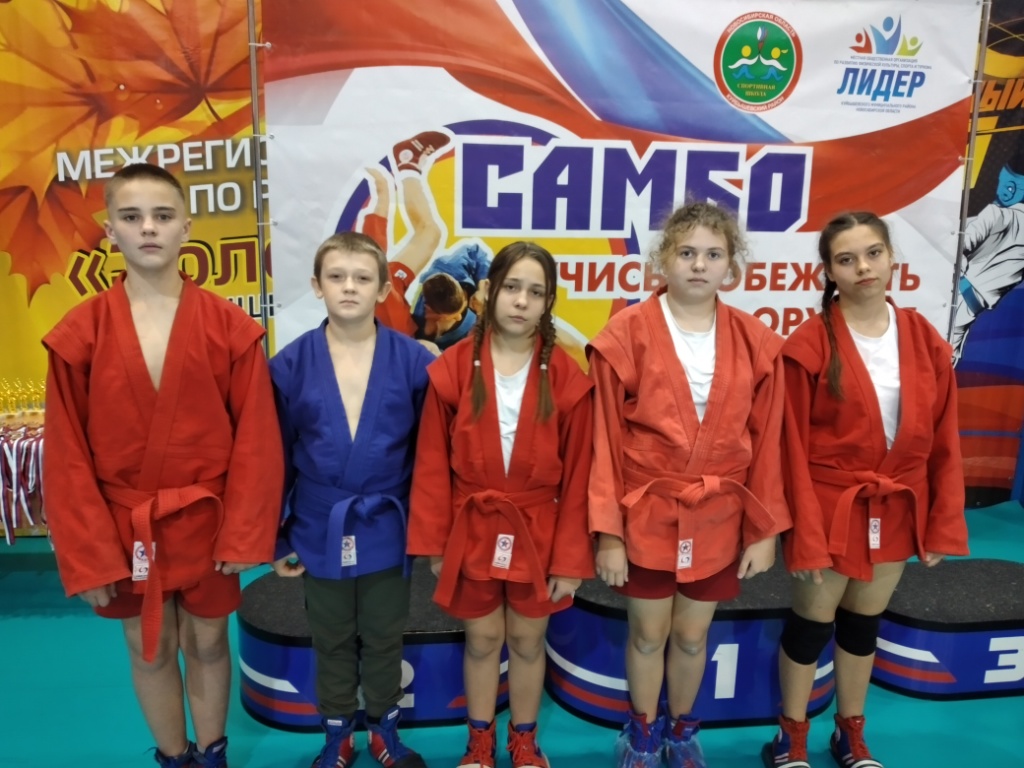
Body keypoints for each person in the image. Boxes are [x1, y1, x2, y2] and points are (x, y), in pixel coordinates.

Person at [42, 163, 284, 768]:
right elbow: (66, 458)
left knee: (208, 640)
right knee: (148, 646)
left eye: (162, 215)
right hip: (126, 525)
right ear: (109, 231)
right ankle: (175, 757)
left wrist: (244, 533)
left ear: (186, 228)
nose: (148, 227)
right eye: (131, 217)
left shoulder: (229, 328)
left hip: (206, 519)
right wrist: (88, 556)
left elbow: (257, 441)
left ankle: (213, 753)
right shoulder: (81, 332)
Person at [762, 212, 969, 768]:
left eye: (873, 253)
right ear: (829, 272)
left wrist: (942, 522)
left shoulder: (923, 339)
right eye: (846, 259)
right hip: (828, 507)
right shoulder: (809, 343)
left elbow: (944, 437)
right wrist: (803, 534)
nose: (863, 267)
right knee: (812, 625)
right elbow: (787, 448)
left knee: (861, 624)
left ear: (891, 257)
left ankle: (850, 734)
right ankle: (790, 736)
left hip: (897, 503)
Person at [589, 203, 790, 768]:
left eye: (713, 254)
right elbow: (602, 441)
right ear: (663, 260)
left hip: (719, 514)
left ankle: (681, 730)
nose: (699, 265)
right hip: (646, 512)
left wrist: (763, 531)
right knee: (647, 634)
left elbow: (767, 444)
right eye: (686, 252)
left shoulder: (755, 341)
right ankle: (642, 732)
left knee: (693, 636)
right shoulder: (626, 334)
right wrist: (608, 533)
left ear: (731, 264)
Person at [407, 242, 594, 768]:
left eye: (535, 292)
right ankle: (480, 742)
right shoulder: (451, 370)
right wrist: (436, 544)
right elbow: (430, 465)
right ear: (488, 291)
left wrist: (570, 561)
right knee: (483, 638)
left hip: (540, 530)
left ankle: (525, 741)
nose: (521, 301)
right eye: (511, 287)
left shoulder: (567, 377)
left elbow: (580, 477)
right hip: (471, 527)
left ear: (549, 302)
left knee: (529, 641)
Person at [269, 232, 433, 768]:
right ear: (317, 286)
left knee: (385, 634)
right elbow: (274, 456)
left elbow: (430, 455)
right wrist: (279, 536)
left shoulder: (415, 362)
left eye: (363, 278)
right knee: (332, 636)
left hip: (387, 522)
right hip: (320, 524)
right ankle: (337, 732)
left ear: (383, 288)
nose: (349, 287)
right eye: (336, 276)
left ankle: (385, 730)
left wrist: (430, 530)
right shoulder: (290, 364)